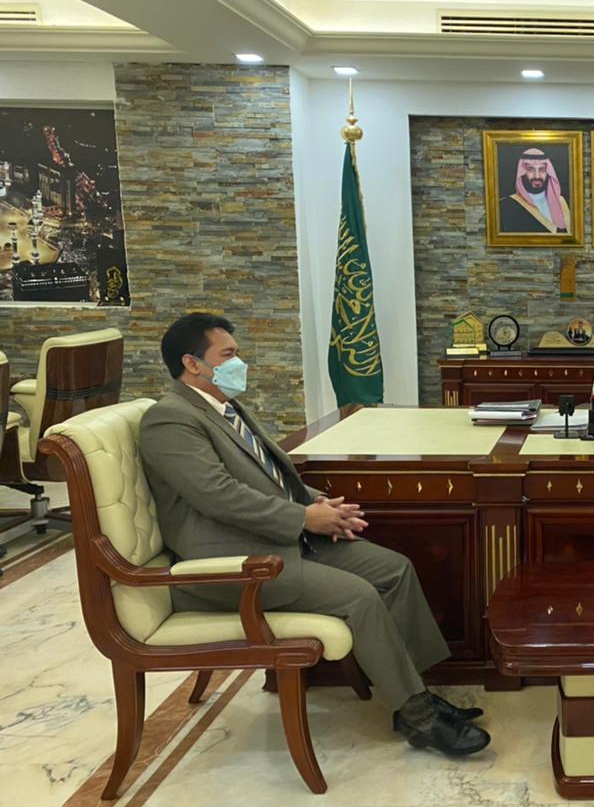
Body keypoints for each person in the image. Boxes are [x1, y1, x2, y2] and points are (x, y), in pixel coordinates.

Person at [139, 313, 490, 757]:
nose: (239, 363)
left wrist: (318, 504)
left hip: (279, 540)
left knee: (394, 569)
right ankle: (419, 718)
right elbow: (219, 496)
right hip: (236, 564)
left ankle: (415, 692)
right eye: (228, 355)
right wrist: (303, 519)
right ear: (192, 363)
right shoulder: (169, 420)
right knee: (359, 597)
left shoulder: (225, 408)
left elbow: (269, 477)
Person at [497, 148, 571, 234]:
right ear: (522, 173)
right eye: (530, 170)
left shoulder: (565, 203)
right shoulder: (506, 206)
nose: (537, 176)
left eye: (542, 170)